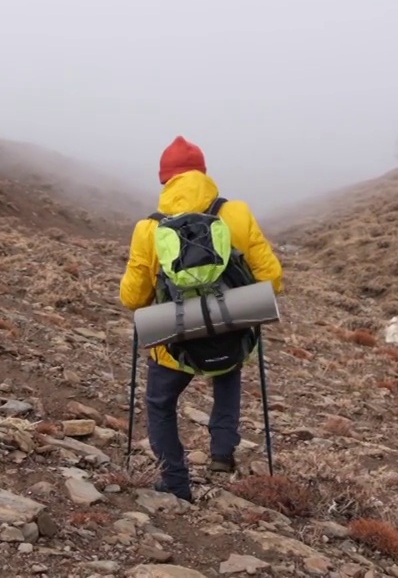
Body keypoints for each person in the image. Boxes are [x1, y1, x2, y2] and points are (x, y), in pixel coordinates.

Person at [118, 135, 284, 502]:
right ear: (204, 174)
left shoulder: (150, 228)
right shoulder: (236, 213)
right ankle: (222, 451)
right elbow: (272, 279)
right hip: (230, 326)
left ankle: (175, 483)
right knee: (228, 368)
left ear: (166, 180)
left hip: (174, 338)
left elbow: (133, 297)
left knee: (161, 404)